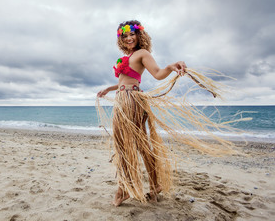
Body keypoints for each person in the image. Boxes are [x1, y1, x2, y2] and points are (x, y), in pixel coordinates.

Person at [96, 20, 236, 206]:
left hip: (131, 101)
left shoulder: (143, 53)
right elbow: (126, 80)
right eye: (125, 35)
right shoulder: (127, 57)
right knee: (124, 147)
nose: (129, 38)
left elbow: (158, 73)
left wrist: (170, 67)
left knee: (139, 146)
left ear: (139, 35)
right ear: (121, 39)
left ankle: (133, 188)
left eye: (132, 34)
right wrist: (109, 88)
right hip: (121, 100)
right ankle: (141, 187)